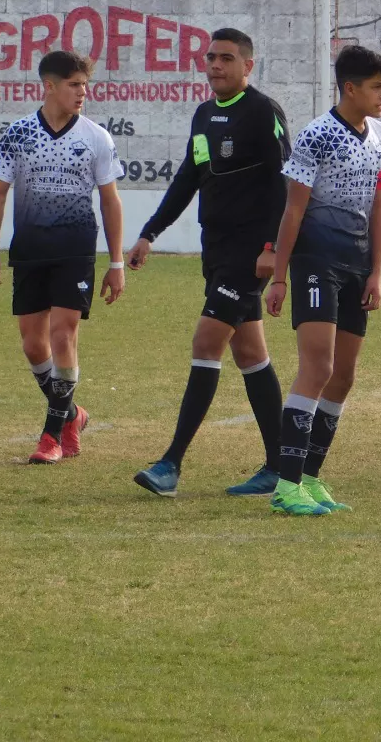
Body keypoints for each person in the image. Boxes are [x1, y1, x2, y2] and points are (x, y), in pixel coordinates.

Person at [128, 28, 291, 498]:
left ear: (248, 66)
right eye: (210, 58)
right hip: (216, 250)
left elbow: (286, 182)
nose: (215, 65)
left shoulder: (263, 112)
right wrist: (149, 233)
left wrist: (272, 247)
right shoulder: (203, 115)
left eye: (225, 58)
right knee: (250, 354)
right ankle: (279, 467)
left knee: (206, 340)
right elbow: (189, 177)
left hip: (249, 253)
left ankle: (170, 464)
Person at [263, 45, 381, 516]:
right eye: (377, 86)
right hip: (316, 261)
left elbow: (378, 204)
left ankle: (311, 478)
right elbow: (293, 209)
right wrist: (279, 276)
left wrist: (376, 271)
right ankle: (286, 485)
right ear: (351, 88)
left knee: (343, 377)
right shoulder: (316, 136)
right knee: (317, 368)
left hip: (358, 264)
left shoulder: (378, 135)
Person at [0, 50, 125, 464]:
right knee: (32, 345)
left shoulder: (96, 136)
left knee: (64, 335)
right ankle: (72, 414)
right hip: (29, 250)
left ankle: (50, 436)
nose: (83, 92)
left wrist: (116, 264)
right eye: (74, 85)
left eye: (85, 84)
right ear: (49, 86)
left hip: (75, 249)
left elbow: (110, 201)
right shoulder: (20, 132)